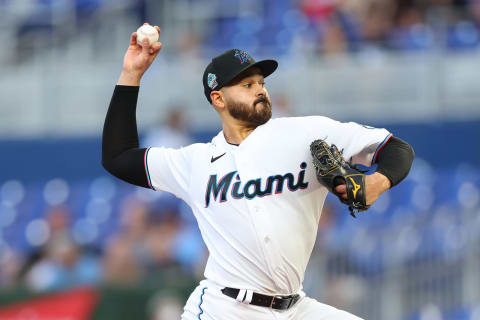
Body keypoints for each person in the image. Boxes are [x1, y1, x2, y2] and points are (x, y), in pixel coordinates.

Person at [102, 23, 414, 320]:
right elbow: (118, 157)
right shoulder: (194, 162)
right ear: (218, 97)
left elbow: (395, 148)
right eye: (247, 84)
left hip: (295, 307)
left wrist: (377, 181)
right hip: (223, 309)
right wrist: (132, 72)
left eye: (262, 83)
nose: (261, 90)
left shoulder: (306, 134)